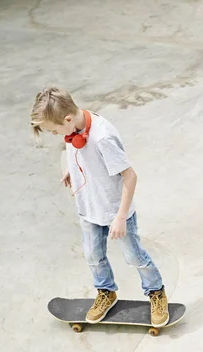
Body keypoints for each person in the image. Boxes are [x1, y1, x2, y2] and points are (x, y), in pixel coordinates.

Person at [30, 86, 169, 327]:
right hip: (89, 206)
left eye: (54, 131)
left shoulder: (102, 137)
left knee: (135, 257)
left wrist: (121, 217)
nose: (56, 135)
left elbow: (130, 177)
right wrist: (71, 169)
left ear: (68, 119)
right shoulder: (76, 124)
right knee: (93, 256)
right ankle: (106, 292)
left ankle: (156, 292)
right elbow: (77, 147)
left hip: (114, 211)